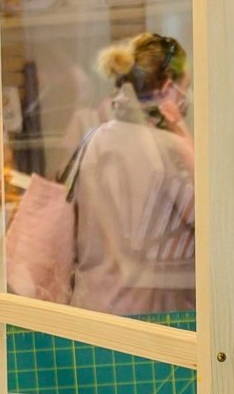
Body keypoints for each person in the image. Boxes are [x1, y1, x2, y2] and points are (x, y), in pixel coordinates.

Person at [68, 32, 197, 316]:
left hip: (91, 306)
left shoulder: (95, 138)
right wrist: (184, 135)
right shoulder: (170, 149)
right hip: (152, 317)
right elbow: (220, 223)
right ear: (167, 88)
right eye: (185, 88)